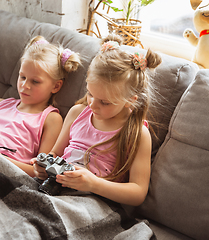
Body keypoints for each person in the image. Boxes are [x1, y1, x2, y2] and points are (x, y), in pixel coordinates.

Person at [32, 34, 162, 206]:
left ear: (131, 99)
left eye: (105, 102)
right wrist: (42, 168)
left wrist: (93, 184)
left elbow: (138, 193)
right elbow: (55, 154)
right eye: (90, 94)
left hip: (93, 202)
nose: (92, 105)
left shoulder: (137, 133)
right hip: (55, 190)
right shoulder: (77, 112)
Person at [0, 36, 81, 177]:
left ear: (56, 86)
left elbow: (41, 172)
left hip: (2, 171)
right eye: (22, 77)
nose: (24, 85)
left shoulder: (51, 119)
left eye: (35, 81)